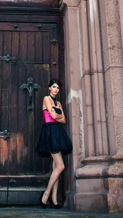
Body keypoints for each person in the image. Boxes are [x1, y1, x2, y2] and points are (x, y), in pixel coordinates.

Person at [35, 78, 72, 209]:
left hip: (57, 132)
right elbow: (55, 116)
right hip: (49, 131)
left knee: (56, 166)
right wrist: (58, 115)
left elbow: (63, 120)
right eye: (54, 87)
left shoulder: (59, 103)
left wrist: (58, 116)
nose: (56, 89)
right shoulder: (46, 98)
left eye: (58, 88)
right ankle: (46, 194)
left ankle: (54, 199)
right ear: (49, 88)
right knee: (61, 166)